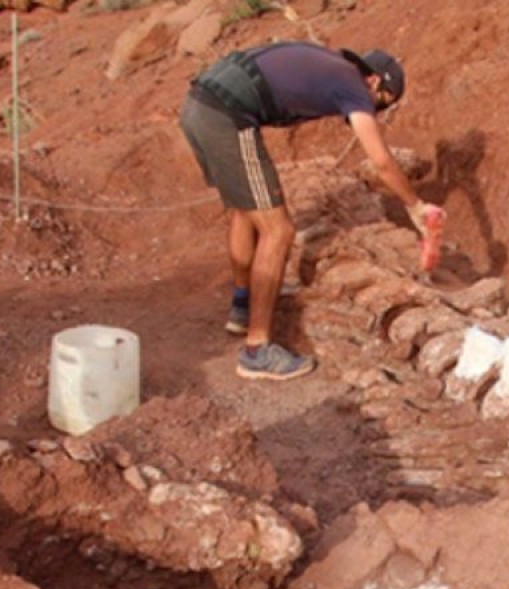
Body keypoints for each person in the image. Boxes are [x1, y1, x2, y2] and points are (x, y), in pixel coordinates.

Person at [180, 41, 444, 380]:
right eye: (380, 104)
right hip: (226, 115)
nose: (373, 112)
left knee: (244, 209)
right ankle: (257, 350)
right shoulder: (353, 85)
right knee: (279, 230)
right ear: (375, 82)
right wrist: (415, 205)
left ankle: (242, 305)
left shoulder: (329, 65)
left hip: (198, 104)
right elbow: (381, 162)